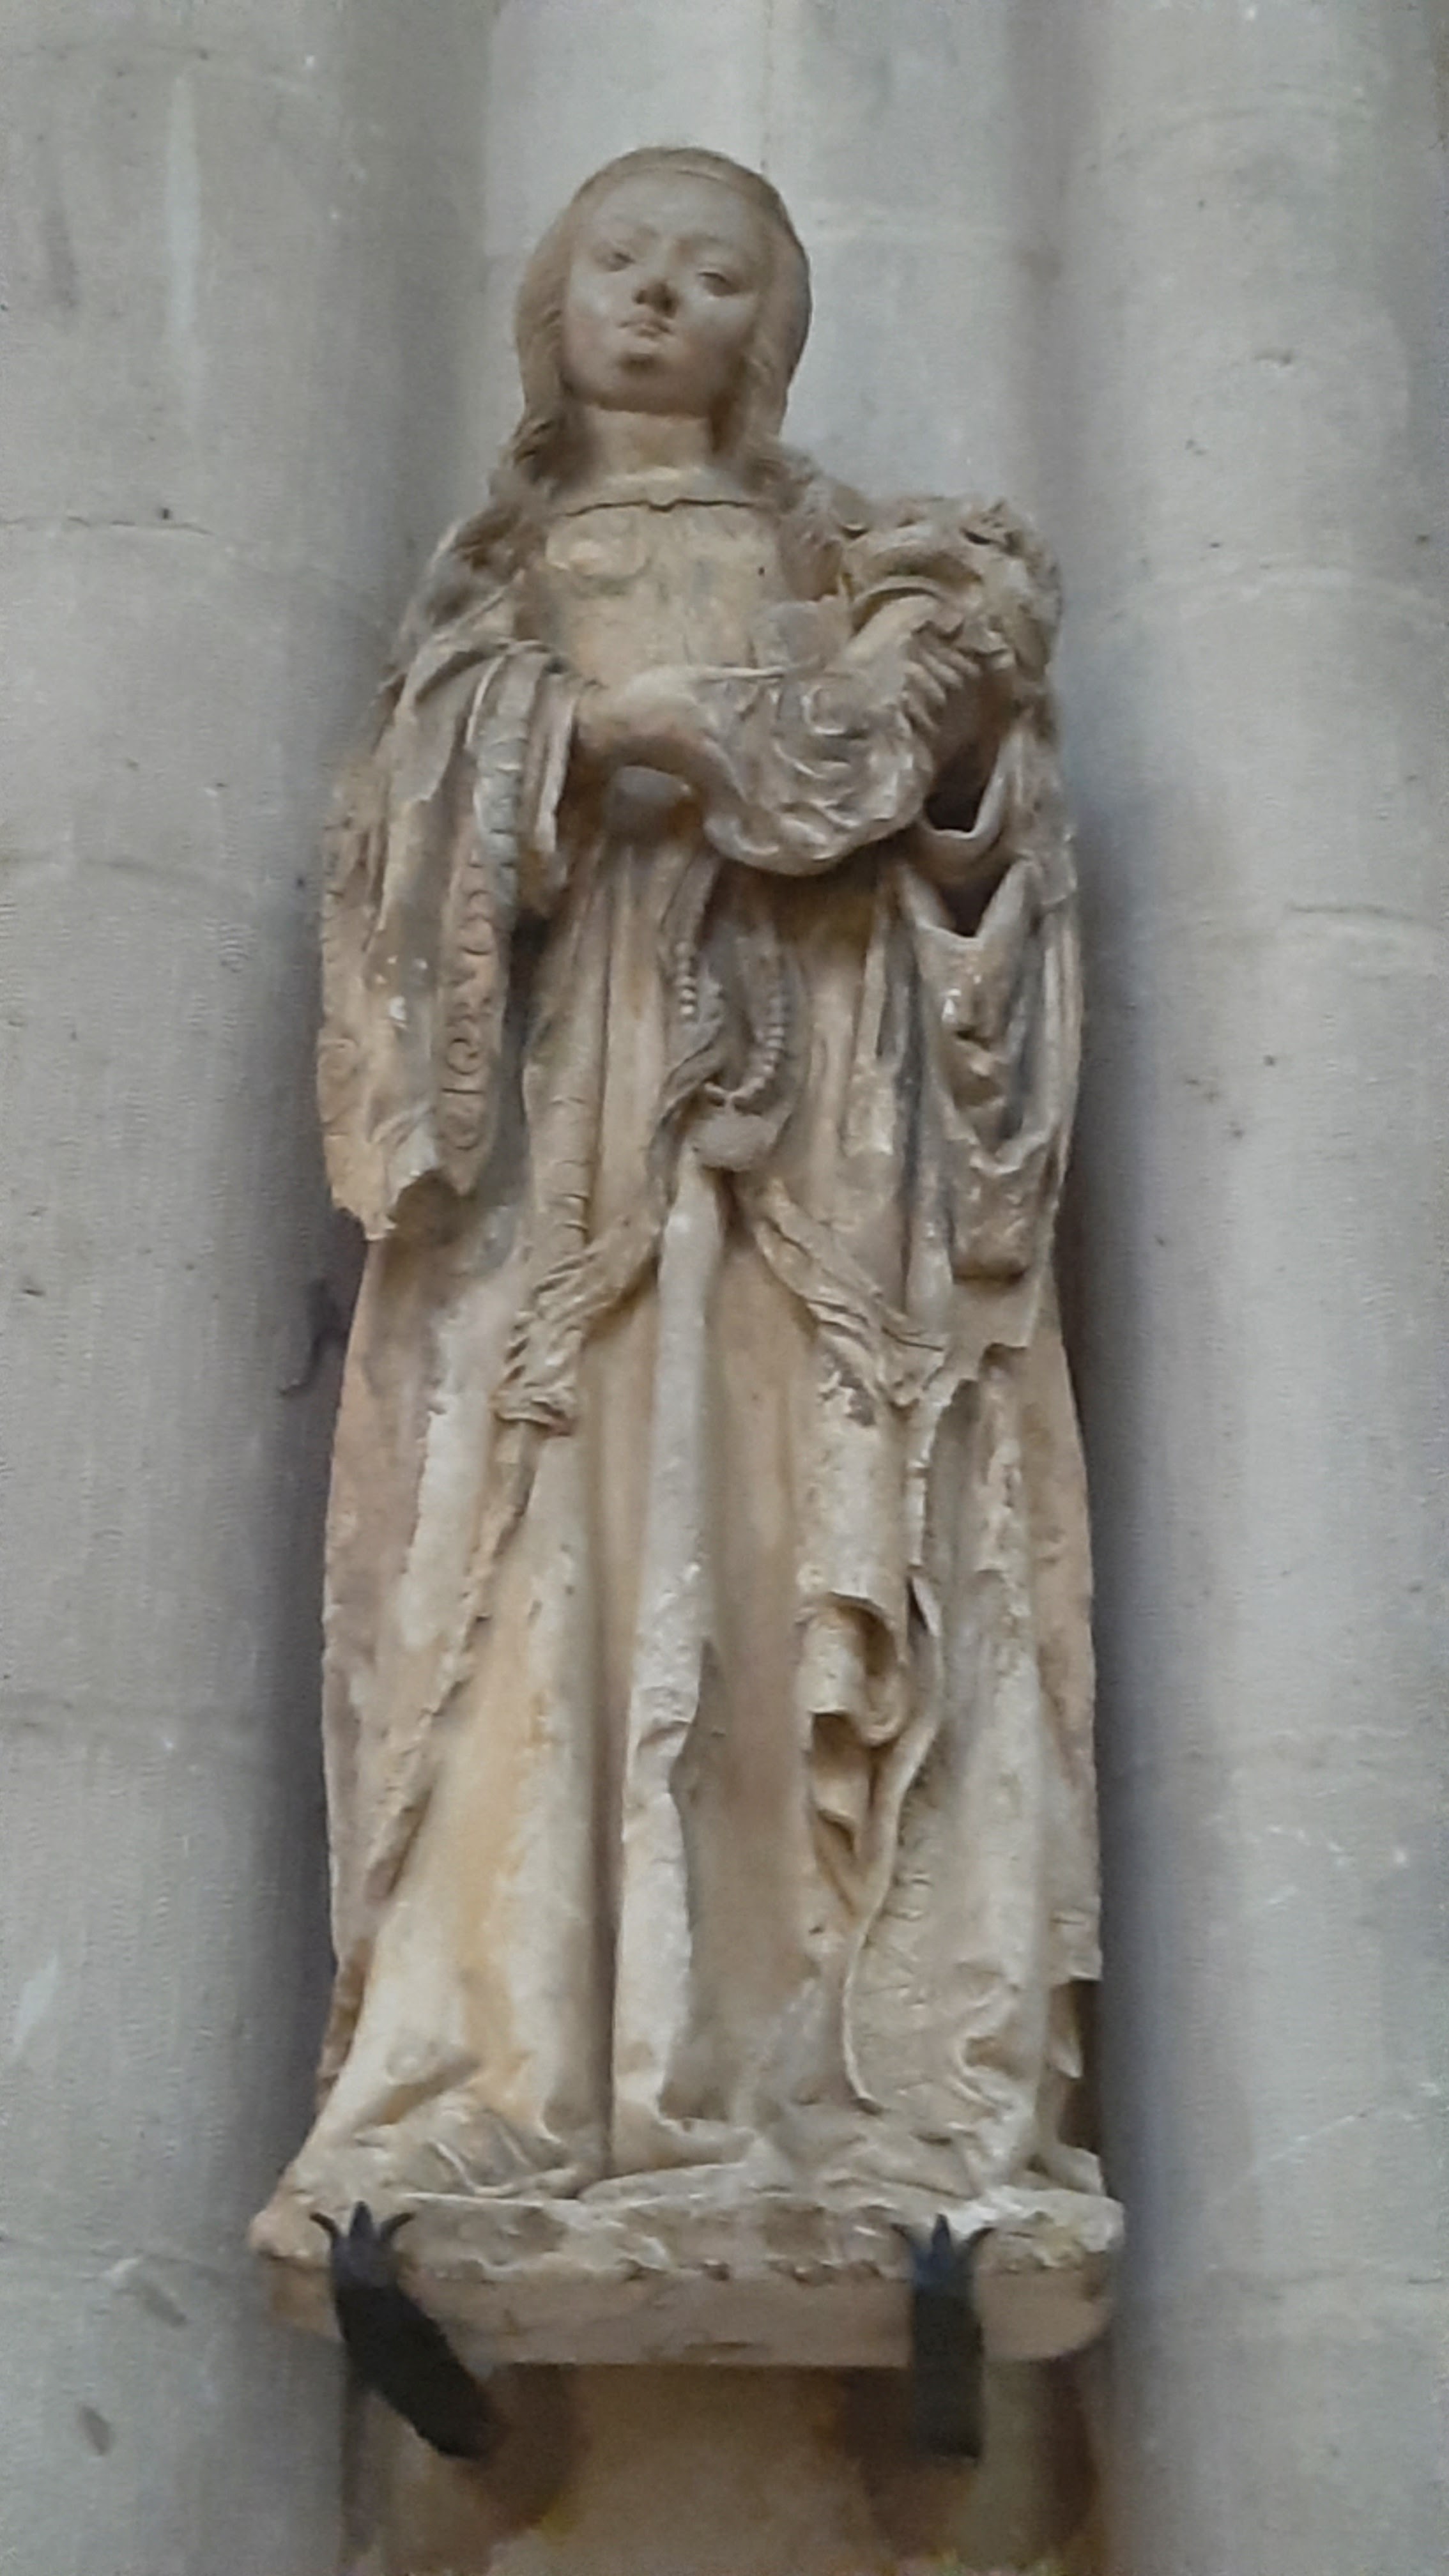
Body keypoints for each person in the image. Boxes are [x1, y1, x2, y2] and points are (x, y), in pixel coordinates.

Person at [254, 148, 1105, 2250]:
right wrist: (592, 735)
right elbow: (392, 860)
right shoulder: (491, 584)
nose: (654, 299)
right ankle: (508, 2064)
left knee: (785, 1523)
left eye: (711, 273)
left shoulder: (848, 560)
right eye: (617, 261)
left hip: (810, 1122)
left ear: (768, 329)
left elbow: (956, 817)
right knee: (541, 1539)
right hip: (557, 1133)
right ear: (548, 304)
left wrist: (937, 739)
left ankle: (806, 2071)